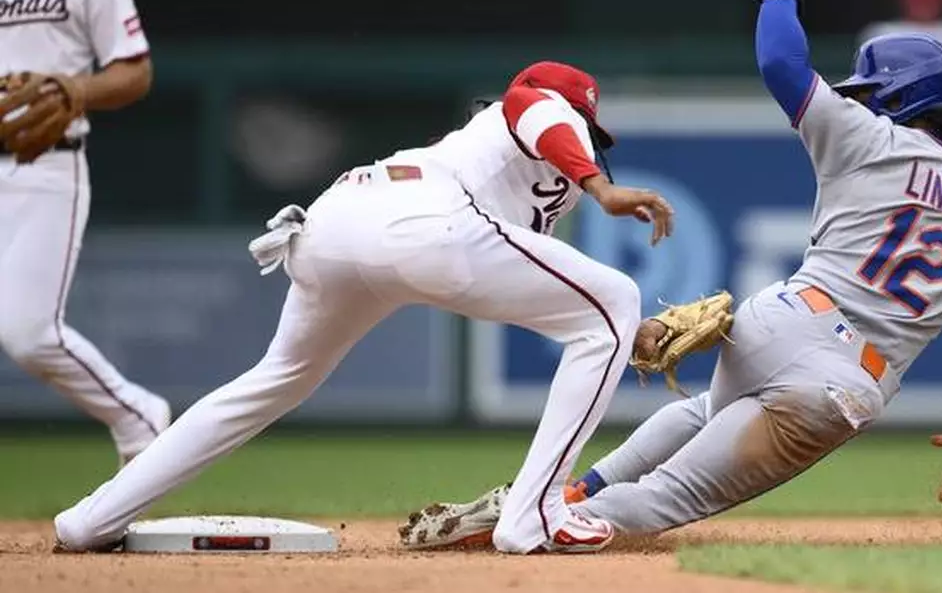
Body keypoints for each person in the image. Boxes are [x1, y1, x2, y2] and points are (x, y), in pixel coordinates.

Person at [400, 0, 942, 549]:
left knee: (705, 409)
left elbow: (782, 63)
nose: (862, 101)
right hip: (838, 381)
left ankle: (559, 494)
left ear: (898, 99)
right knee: (669, 498)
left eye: (873, 92)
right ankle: (538, 523)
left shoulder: (864, 137)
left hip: (777, 318)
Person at [53, 60, 675, 555]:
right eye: (586, 132)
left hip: (335, 222)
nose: (589, 144)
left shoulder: (507, 173)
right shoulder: (525, 117)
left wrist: (626, 333)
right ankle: (535, 513)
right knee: (616, 296)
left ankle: (89, 520)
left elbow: (533, 280)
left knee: (272, 381)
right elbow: (532, 103)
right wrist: (601, 186)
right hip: (420, 220)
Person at [0, 0, 170, 466]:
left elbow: (135, 71)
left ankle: (135, 415)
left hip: (47, 165)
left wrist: (76, 90)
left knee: (29, 335)